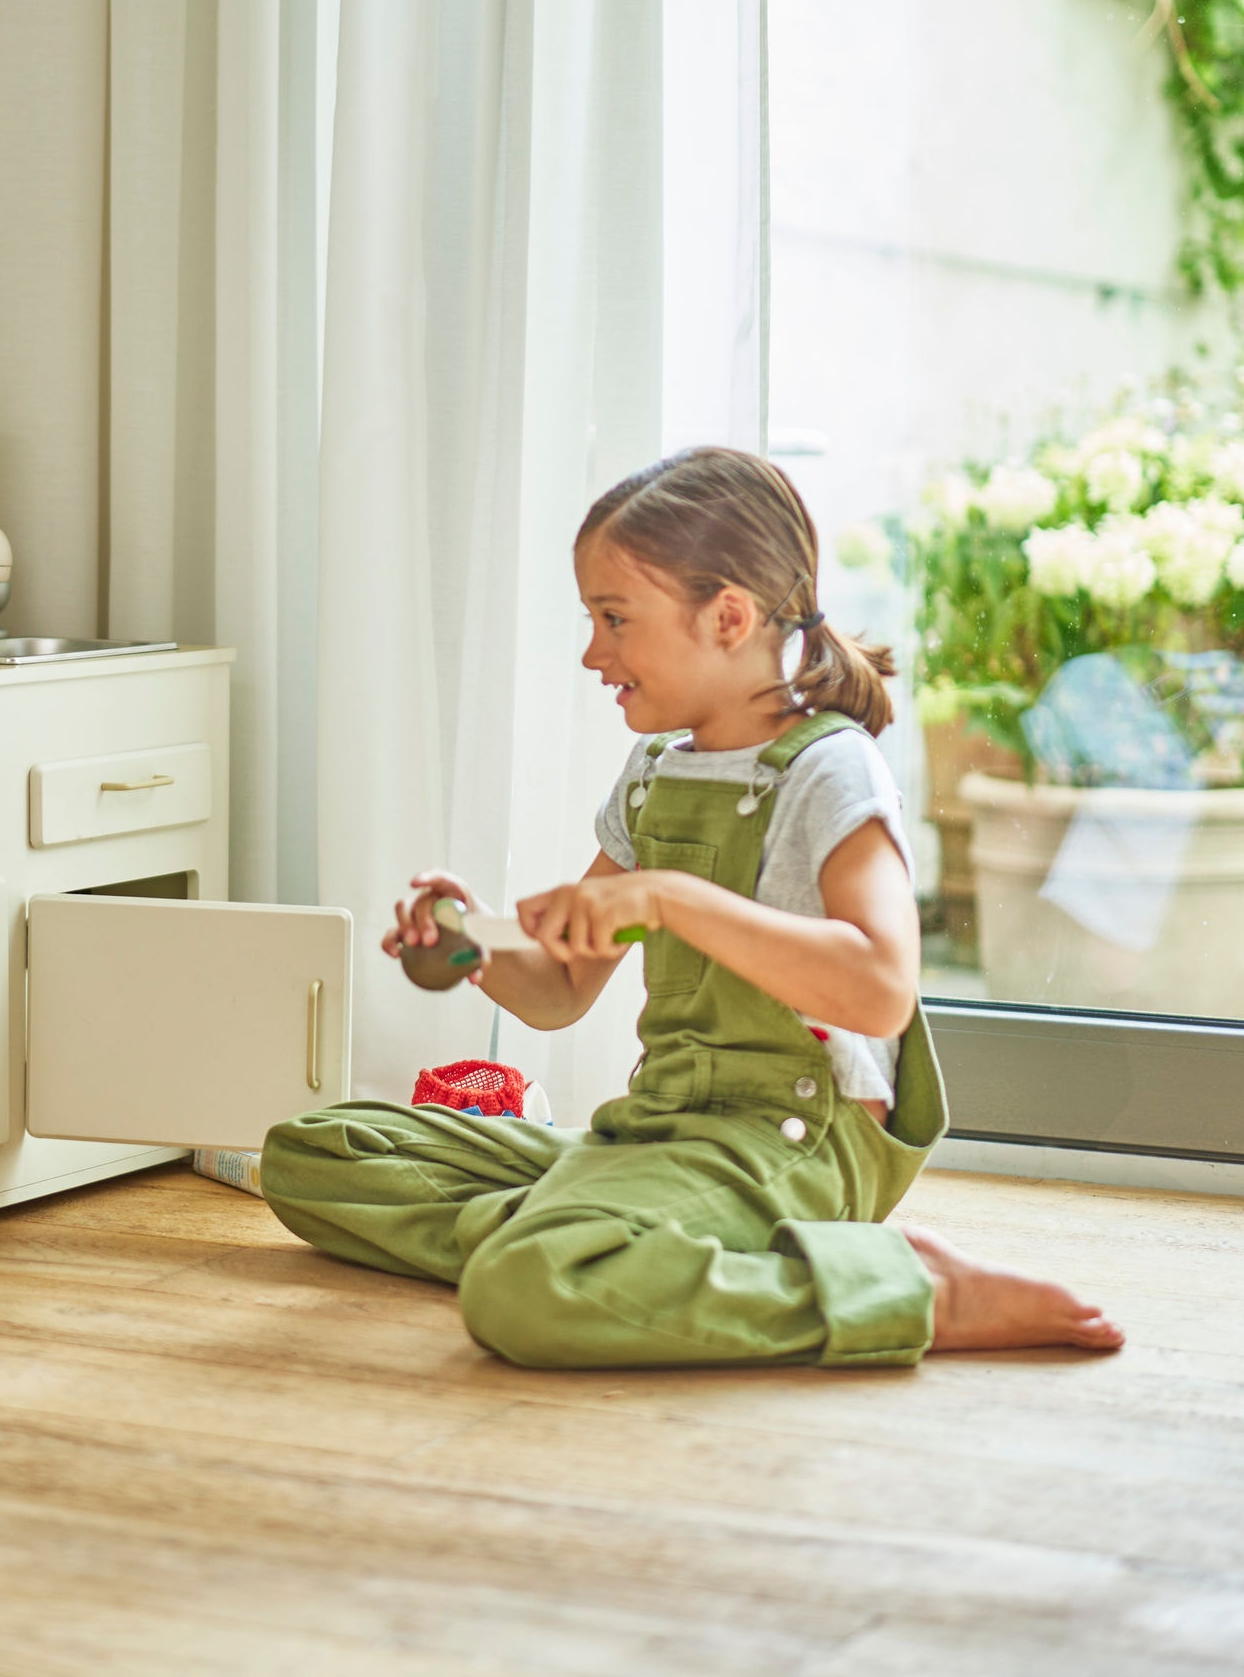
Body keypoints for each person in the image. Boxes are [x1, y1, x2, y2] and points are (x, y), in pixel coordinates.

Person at [261, 448, 1124, 1368]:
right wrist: (470, 942)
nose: (594, 652)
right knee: (317, 1151)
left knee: (524, 1289)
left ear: (728, 616)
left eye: (615, 618)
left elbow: (880, 991)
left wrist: (672, 899)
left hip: (792, 1141)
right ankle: (622, 1235)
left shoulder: (832, 769)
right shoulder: (654, 774)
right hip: (663, 1127)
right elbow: (559, 993)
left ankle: (899, 1288)